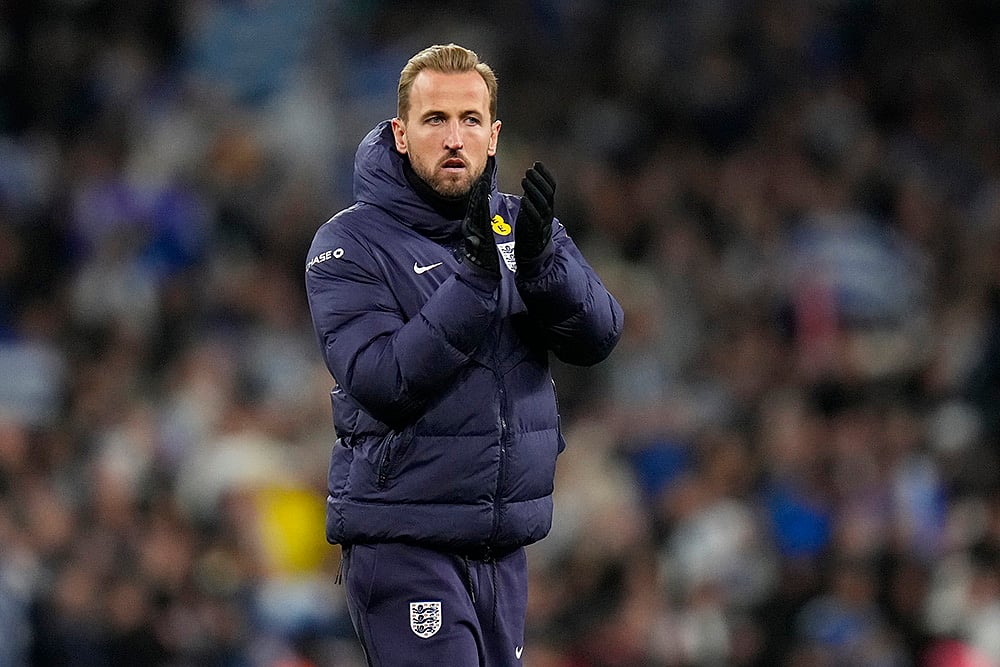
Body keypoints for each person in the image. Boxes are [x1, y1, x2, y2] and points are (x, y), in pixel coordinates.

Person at [304, 43, 623, 666]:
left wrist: (542, 264)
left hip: (501, 548)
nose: (455, 137)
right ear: (401, 134)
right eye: (435, 120)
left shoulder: (521, 230)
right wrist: (475, 281)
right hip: (404, 542)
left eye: (470, 120)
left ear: (494, 134)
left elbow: (600, 336)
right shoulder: (349, 243)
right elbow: (382, 378)